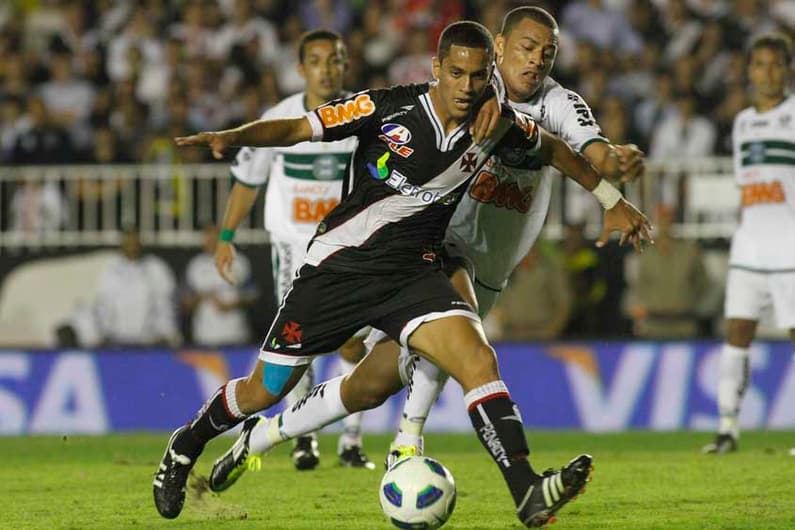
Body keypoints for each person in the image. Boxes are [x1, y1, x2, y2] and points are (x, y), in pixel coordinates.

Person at [157, 21, 650, 527]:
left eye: (476, 77)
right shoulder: (384, 107)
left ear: (488, 79)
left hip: (415, 273)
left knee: (476, 358)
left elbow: (553, 149)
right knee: (267, 389)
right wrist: (232, 137)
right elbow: (298, 128)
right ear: (436, 69)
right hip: (340, 268)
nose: (465, 86)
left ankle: (527, 490)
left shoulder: (498, 123)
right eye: (455, 73)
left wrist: (610, 199)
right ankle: (188, 441)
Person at [227, 29, 375, 470]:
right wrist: (224, 238)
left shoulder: (364, 116)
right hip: (293, 249)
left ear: (346, 65)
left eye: (335, 60)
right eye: (317, 60)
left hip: (350, 247)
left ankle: (351, 440)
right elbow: (247, 179)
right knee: (296, 345)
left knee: (353, 345)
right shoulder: (281, 117)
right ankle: (303, 437)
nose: (326, 69)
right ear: (301, 68)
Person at [702, 33, 795, 455]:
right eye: (760, 64)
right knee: (736, 333)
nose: (768, 72)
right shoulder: (741, 123)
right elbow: (748, 186)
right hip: (750, 247)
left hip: (791, 248)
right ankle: (726, 429)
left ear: (788, 69)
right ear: (750, 71)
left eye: (776, 64)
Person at [626, 204, 709, 338]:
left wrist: (689, 300)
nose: (664, 223)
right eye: (661, 219)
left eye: (668, 219)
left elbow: (702, 283)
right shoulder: (645, 255)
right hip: (654, 323)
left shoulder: (689, 252)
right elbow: (639, 285)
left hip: (683, 322)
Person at [182, 224, 256, 346]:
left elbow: (253, 295)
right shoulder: (195, 265)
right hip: (204, 336)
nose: (211, 241)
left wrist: (231, 305)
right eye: (208, 237)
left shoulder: (240, 262)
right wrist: (200, 298)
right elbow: (184, 302)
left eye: (215, 236)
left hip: (236, 333)